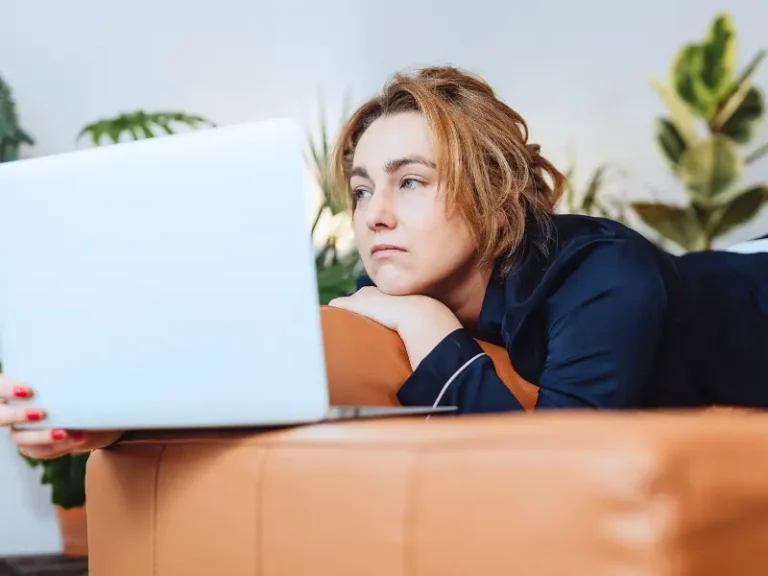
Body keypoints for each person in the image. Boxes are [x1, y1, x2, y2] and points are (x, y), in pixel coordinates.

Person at [1, 65, 766, 461]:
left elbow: (558, 465)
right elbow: (254, 385)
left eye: (411, 181)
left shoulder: (600, 278)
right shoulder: (390, 290)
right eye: (362, 187)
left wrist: (426, 326)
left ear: (495, 190)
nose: (375, 214)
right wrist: (92, 422)